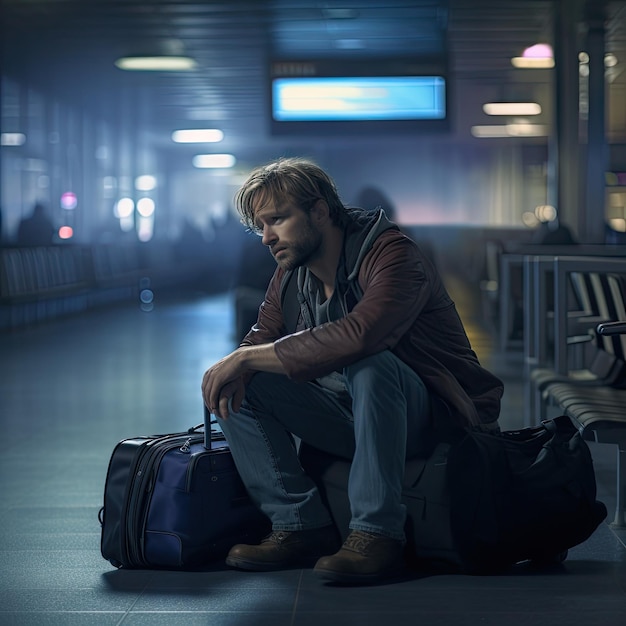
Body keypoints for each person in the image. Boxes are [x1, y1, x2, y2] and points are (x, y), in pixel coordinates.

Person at [201, 157, 503, 584]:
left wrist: (246, 356)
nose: (267, 238)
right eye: (260, 227)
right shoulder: (291, 273)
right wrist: (239, 362)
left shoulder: (393, 254)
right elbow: (262, 334)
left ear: (320, 212)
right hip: (355, 414)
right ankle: (300, 525)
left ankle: (377, 535)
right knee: (240, 384)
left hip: (437, 417)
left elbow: (363, 334)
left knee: (370, 361)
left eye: (278, 220)